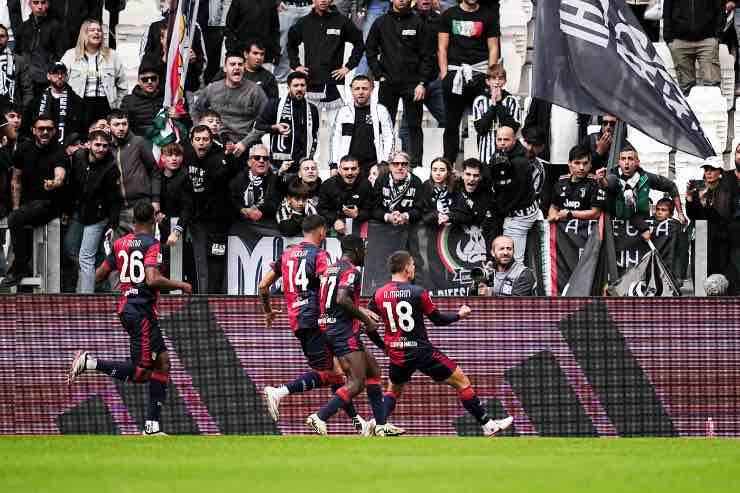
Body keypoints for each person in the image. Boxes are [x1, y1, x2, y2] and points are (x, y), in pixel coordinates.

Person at [69, 202, 193, 436]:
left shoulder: (119, 244)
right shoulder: (152, 244)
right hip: (141, 311)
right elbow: (152, 279)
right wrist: (181, 285)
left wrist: (122, 279)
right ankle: (90, 362)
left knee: (163, 364)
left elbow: (97, 276)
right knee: (141, 373)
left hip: (130, 308)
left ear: (134, 220)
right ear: (155, 220)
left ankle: (152, 427)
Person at [368, 250, 514, 436]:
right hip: (421, 352)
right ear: (406, 268)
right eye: (412, 264)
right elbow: (437, 319)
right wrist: (459, 315)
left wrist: (384, 347)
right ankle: (488, 425)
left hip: (397, 353)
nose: (414, 268)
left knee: (393, 390)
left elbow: (369, 325)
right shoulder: (418, 292)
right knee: (462, 381)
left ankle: (378, 424)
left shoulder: (379, 294)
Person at [261, 215, 369, 434]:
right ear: (321, 231)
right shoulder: (320, 255)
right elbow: (327, 286)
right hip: (315, 317)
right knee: (330, 373)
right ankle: (279, 392)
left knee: (338, 371)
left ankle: (358, 422)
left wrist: (268, 311)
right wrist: (356, 312)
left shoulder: (287, 254)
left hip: (297, 319)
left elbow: (263, 285)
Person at [306, 234, 400, 436]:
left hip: (330, 326)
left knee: (373, 370)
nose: (366, 253)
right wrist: (365, 319)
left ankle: (381, 426)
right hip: (342, 330)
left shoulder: (331, 268)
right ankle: (320, 416)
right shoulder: (351, 270)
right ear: (356, 250)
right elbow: (341, 298)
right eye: (364, 249)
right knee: (356, 382)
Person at [1, 114, 66, 287]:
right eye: (41, 129)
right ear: (33, 130)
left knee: (16, 218)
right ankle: (23, 265)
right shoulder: (23, 149)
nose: (45, 132)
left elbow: (60, 174)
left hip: (49, 204)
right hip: (28, 204)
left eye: (49, 129)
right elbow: (16, 179)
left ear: (54, 131)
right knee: (16, 217)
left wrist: (55, 183)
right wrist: (15, 206)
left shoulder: (58, 150)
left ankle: (20, 266)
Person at [366, 0, 432, 167]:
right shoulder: (381, 22)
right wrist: (378, 75)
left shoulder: (418, 23)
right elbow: (370, 50)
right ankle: (383, 162)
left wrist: (422, 82)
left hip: (413, 84)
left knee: (414, 126)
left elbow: (427, 55)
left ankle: (416, 165)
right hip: (388, 82)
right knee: (384, 125)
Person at [438, 0, 500, 162]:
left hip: (480, 75)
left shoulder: (489, 16)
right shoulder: (449, 15)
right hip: (455, 75)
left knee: (484, 123)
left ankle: (485, 163)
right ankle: (448, 165)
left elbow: (493, 47)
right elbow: (442, 47)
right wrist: (445, 74)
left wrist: (491, 76)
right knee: (451, 125)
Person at [287, 0, 364, 129]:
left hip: (335, 84)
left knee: (337, 130)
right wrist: (296, 66)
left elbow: (359, 43)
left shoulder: (342, 21)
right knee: (309, 130)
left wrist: (348, 67)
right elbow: (291, 44)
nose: (323, 0)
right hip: (311, 84)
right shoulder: (304, 22)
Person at [64, 130, 121, 293]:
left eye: (105, 146)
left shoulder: (111, 167)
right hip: (78, 211)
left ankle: (86, 299)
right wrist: (67, 210)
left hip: (98, 216)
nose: (101, 149)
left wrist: (112, 223)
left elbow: (115, 200)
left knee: (86, 257)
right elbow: (72, 185)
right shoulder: (78, 157)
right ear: (89, 144)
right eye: (97, 145)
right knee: (70, 248)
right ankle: (91, 282)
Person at [185, 125, 238, 294]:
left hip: (218, 221)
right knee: (196, 260)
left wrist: (228, 158)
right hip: (196, 219)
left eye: (205, 139)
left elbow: (228, 174)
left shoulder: (220, 158)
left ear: (211, 141)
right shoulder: (185, 156)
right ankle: (198, 297)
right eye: (198, 139)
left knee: (216, 258)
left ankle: (214, 298)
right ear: (191, 140)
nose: (201, 143)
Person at [597, 146, 686, 242]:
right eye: (623, 159)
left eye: (630, 159)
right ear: (619, 162)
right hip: (617, 232)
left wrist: (680, 213)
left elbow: (671, 186)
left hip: (641, 236)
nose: (626, 162)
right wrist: (602, 180)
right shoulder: (612, 178)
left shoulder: (645, 178)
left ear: (637, 162)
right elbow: (608, 185)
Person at [192, 51, 267, 158]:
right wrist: (199, 129)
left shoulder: (255, 91)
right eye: (232, 64)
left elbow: (266, 120)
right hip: (216, 141)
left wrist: (245, 143)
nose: (237, 67)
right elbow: (196, 109)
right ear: (225, 68)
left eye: (240, 64)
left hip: (244, 142)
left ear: (244, 68)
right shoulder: (212, 88)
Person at [61, 18, 127, 128]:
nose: (97, 32)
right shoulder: (70, 55)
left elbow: (123, 86)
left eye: (99, 30)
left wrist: (117, 107)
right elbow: (61, 81)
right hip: (79, 105)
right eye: (92, 30)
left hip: (105, 105)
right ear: (84, 34)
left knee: (103, 139)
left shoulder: (112, 56)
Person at [685, 156, 738, 293]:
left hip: (720, 242)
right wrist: (690, 199)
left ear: (720, 172)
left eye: (712, 169)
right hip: (702, 239)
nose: (708, 173)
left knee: (718, 283)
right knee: (700, 283)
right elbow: (693, 216)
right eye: (706, 169)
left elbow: (722, 217)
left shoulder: (726, 190)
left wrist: (705, 205)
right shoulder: (699, 189)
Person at [252, 71, 319, 173]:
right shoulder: (275, 104)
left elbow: (314, 135)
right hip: (279, 164)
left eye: (302, 85)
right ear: (288, 87)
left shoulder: (312, 109)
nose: (299, 89)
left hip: (303, 165)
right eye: (295, 85)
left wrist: (311, 159)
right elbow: (258, 126)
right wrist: (275, 127)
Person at [107, 110, 160, 238]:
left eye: (124, 124)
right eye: (117, 124)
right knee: (120, 253)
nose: (121, 128)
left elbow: (155, 170)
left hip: (141, 206)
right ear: (109, 127)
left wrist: (155, 200)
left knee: (144, 250)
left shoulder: (139, 142)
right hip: (118, 210)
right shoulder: (107, 148)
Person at [329, 75, 394, 175]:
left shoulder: (380, 111)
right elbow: (335, 139)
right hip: (350, 168)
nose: (361, 92)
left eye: (364, 88)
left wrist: (384, 164)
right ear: (351, 90)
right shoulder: (343, 112)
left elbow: (389, 138)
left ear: (371, 89)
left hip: (374, 167)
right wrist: (333, 165)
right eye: (357, 88)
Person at [490, 126, 537, 263]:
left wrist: (500, 211)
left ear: (514, 140)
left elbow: (515, 195)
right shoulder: (501, 154)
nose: (502, 143)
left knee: (512, 260)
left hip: (518, 216)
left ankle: (519, 284)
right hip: (522, 210)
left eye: (506, 139)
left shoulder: (520, 162)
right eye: (499, 139)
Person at [664, 0, 724, 95]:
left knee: (712, 85)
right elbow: (667, 10)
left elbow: (720, 7)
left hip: (707, 40)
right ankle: (688, 109)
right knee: (686, 87)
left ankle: (713, 109)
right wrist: (669, 39)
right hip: (680, 41)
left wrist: (717, 36)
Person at [23, 62, 85, 146]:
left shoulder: (77, 101)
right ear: (48, 76)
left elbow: (81, 128)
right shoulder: (37, 101)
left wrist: (73, 144)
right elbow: (27, 126)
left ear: (66, 77)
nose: (59, 76)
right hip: (40, 147)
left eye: (62, 73)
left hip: (66, 147)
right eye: (56, 73)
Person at [14, 0, 66, 96]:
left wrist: (52, 74)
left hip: (46, 79)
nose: (39, 6)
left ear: (48, 4)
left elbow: (61, 55)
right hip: (25, 79)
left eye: (43, 2)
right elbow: (17, 53)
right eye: (36, 2)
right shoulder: (23, 27)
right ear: (29, 4)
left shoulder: (56, 26)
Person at [472, 63, 520, 164]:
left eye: (500, 78)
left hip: (508, 154)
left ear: (505, 81)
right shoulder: (480, 100)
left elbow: (513, 128)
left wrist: (498, 103)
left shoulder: (512, 100)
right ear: (487, 81)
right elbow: (481, 129)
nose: (497, 82)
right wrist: (493, 106)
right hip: (486, 154)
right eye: (493, 78)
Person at [318, 154, 375, 235]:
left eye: (353, 169)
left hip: (360, 226)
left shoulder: (366, 185)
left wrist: (358, 214)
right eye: (346, 169)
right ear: (339, 170)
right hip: (334, 227)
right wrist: (335, 220)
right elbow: (321, 209)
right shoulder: (328, 185)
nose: (350, 172)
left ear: (358, 169)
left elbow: (371, 209)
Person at [547, 145, 606, 223]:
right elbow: (554, 207)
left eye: (585, 163)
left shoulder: (595, 183)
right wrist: (553, 215)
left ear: (590, 165)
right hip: (563, 231)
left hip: (586, 232)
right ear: (569, 163)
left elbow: (595, 213)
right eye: (577, 163)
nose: (581, 167)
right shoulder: (560, 183)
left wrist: (570, 214)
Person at [229, 144, 281, 225]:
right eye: (257, 158)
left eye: (265, 158)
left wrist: (258, 210)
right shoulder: (238, 178)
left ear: (269, 163)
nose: (261, 161)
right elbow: (231, 199)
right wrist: (242, 210)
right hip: (239, 223)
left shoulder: (275, 180)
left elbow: (275, 203)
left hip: (266, 224)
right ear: (249, 162)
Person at [372, 151, 424, 226]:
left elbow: (419, 209)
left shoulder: (416, 182)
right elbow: (375, 208)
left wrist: (405, 216)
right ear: (390, 166)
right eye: (396, 164)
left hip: (408, 228)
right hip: (384, 226)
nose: (400, 167)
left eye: (404, 164)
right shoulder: (381, 180)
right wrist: (388, 217)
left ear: (408, 167)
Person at [224, 0, 280, 66]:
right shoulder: (238, 1)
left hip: (263, 56)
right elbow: (229, 27)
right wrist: (232, 51)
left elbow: (275, 29)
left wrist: (275, 53)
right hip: (241, 55)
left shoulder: (270, 2)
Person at [120, 63, 164, 138]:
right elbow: (123, 125)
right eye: (145, 79)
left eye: (153, 78)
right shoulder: (129, 100)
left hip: (165, 142)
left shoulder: (166, 98)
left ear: (158, 80)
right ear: (139, 82)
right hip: (140, 143)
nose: (149, 82)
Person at [274, 0, 314, 83]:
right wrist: (277, 2)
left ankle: (314, 80)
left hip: (311, 7)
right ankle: (281, 80)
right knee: (283, 44)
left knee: (316, 44)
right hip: (287, 7)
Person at [449, 157, 491, 227]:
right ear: (462, 175)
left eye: (476, 175)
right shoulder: (454, 188)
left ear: (480, 177)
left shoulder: (486, 193)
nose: (471, 179)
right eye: (468, 174)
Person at [0, 23, 32, 112]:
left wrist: (23, 111)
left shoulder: (19, 61)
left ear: (7, 38)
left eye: (2, 36)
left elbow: (27, 90)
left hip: (13, 110)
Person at [420, 156, 456, 227]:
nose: (438, 173)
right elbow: (423, 211)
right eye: (434, 170)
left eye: (442, 170)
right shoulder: (426, 186)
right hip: (433, 226)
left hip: (453, 226)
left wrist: (449, 217)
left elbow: (460, 210)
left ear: (448, 172)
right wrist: (437, 215)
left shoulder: (455, 186)